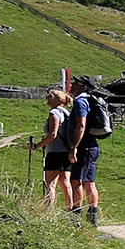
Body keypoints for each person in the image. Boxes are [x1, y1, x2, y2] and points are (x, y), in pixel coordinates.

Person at [69, 75, 104, 225]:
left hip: (83, 147)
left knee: (76, 181)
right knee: (90, 182)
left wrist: (74, 147)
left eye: (76, 83)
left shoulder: (80, 102)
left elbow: (81, 125)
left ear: (84, 87)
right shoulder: (89, 101)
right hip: (93, 146)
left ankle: (76, 216)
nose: (71, 84)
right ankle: (92, 217)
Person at [38, 89, 75, 210]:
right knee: (66, 184)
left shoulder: (54, 112)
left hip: (54, 152)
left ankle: (48, 211)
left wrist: (37, 145)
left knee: (51, 184)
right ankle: (71, 211)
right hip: (66, 152)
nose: (48, 97)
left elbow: (53, 134)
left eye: (51, 96)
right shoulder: (67, 113)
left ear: (59, 99)